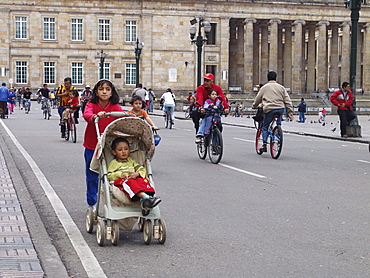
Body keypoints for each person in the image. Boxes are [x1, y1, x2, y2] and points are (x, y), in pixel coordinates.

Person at [83, 79, 126, 208]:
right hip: (92, 145)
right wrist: (95, 116)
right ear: (96, 92)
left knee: (110, 175)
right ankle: (92, 203)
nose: (104, 92)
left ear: (112, 92)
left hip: (109, 146)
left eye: (107, 89)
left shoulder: (115, 107)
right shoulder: (91, 104)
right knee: (92, 174)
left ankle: (110, 201)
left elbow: (123, 116)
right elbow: (87, 114)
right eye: (101, 89)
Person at [108, 137, 161, 216]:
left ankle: (148, 198)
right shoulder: (114, 163)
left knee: (143, 181)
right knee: (130, 183)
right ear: (114, 152)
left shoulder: (131, 161)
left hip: (133, 180)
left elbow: (141, 168)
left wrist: (138, 174)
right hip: (121, 181)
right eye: (120, 150)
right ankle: (146, 198)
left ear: (129, 150)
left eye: (126, 149)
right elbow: (109, 175)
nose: (123, 152)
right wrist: (119, 174)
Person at [252, 71, 294, 153]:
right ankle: (278, 132)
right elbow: (287, 100)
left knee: (265, 126)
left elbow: (258, 99)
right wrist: (290, 112)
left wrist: (254, 106)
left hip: (269, 109)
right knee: (278, 121)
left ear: (268, 78)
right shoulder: (281, 87)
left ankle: (264, 144)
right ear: (276, 78)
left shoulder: (264, 87)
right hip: (280, 108)